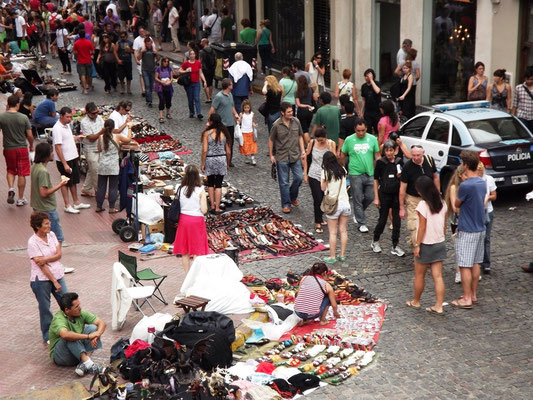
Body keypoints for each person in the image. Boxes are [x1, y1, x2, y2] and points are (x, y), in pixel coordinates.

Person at [405, 175, 447, 315]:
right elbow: (444, 224)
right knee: (438, 276)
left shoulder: (423, 205)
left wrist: (417, 245)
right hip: (439, 242)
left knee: (419, 276)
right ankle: (439, 306)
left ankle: (416, 301)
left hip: (426, 244)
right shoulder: (442, 202)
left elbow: (422, 227)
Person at [451, 151, 487, 309]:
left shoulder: (466, 185)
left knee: (465, 264)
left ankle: (466, 298)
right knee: (476, 263)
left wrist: (453, 195)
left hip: (468, 229)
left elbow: (457, 205)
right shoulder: (481, 182)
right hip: (480, 227)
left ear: (465, 164)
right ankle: (473, 294)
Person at [28, 211, 69, 342]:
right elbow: (41, 265)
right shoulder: (32, 242)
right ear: (38, 226)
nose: (49, 225)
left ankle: (71, 327)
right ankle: (48, 334)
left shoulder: (51, 235)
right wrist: (54, 282)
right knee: (45, 307)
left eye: (49, 222)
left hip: (58, 274)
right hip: (41, 280)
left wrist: (45, 258)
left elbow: (58, 255)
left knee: (67, 301)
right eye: (46, 224)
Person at [49, 292, 106, 376]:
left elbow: (101, 323)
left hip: (76, 352)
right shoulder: (58, 319)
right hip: (61, 356)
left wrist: (97, 334)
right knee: (70, 336)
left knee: (93, 328)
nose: (80, 308)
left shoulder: (80, 313)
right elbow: (65, 335)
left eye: (79, 305)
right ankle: (90, 365)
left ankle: (85, 363)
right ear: (67, 310)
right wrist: (89, 336)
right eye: (76, 307)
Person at [340, 119, 380, 233]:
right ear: (355, 130)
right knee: (357, 199)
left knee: (370, 197)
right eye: (358, 131)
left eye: (363, 130)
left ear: (366, 128)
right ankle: (361, 222)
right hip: (354, 173)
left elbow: (377, 155)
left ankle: (358, 213)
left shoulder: (372, 139)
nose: (361, 133)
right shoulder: (349, 139)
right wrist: (344, 168)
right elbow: (343, 154)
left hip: (370, 173)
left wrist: (380, 168)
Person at [52, 107, 91, 214]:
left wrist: (77, 138)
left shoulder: (67, 125)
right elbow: (58, 147)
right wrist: (64, 163)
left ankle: (76, 202)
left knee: (73, 181)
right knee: (65, 182)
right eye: (67, 117)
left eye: (70, 117)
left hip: (72, 157)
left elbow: (67, 138)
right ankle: (67, 205)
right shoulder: (57, 128)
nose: (69, 119)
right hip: (65, 160)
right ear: (61, 116)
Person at [399, 145, 439, 247]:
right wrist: (401, 208)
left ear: (423, 153)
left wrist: (437, 194)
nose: (416, 158)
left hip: (428, 198)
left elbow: (435, 177)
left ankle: (420, 243)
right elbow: (402, 188)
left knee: (429, 224)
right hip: (413, 199)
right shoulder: (407, 167)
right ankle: (417, 247)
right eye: (413, 155)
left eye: (418, 155)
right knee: (414, 225)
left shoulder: (429, 160)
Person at [269, 102, 305, 214]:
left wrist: (303, 150)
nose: (291, 113)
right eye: (289, 112)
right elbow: (271, 140)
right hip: (282, 156)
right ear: (282, 113)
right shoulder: (276, 125)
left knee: (299, 178)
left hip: (295, 155)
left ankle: (292, 196)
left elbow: (300, 136)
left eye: (292, 111)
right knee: (284, 182)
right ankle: (286, 204)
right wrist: (271, 155)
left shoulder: (296, 121)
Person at [172, 165, 209, 274]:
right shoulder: (201, 190)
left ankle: (188, 276)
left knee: (185, 251)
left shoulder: (179, 188)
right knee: (197, 250)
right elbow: (204, 210)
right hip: (197, 222)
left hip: (183, 221)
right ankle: (195, 275)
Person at [371, 140, 404, 256]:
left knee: (397, 222)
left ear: (395, 150)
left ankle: (395, 245)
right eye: (387, 150)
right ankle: (375, 241)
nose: (389, 153)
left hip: (395, 194)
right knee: (382, 220)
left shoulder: (399, 161)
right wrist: (376, 197)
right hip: (384, 194)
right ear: (384, 151)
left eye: (391, 150)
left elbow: (403, 179)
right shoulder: (380, 163)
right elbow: (375, 180)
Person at [0, 95, 33, 206]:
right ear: (18, 104)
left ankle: (11, 188)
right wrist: (31, 146)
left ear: (7, 105)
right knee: (21, 173)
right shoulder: (23, 117)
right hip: (22, 148)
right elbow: (30, 135)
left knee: (10, 170)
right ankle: (20, 198)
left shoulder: (2, 117)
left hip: (9, 148)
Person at [96, 119, 135, 213]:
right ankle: (111, 207)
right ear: (113, 127)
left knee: (101, 187)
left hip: (102, 164)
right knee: (113, 187)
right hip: (113, 165)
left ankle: (99, 206)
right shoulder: (117, 136)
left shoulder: (100, 137)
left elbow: (99, 149)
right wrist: (129, 128)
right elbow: (128, 140)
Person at [302, 128, 335, 233]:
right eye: (319, 140)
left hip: (326, 175)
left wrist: (330, 148)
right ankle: (317, 222)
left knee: (324, 198)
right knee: (317, 198)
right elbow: (306, 157)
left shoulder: (331, 143)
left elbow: (334, 159)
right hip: (314, 174)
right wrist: (305, 173)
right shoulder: (312, 142)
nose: (320, 142)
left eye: (322, 140)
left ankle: (320, 218)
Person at [200, 113, 230, 214]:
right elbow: (228, 151)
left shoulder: (207, 133)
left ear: (211, 121)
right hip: (222, 159)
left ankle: (212, 206)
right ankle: (217, 207)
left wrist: (202, 163)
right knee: (218, 185)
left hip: (210, 159)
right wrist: (228, 162)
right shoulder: (224, 132)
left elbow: (204, 150)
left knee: (210, 183)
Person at [208, 78, 239, 166]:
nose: (232, 85)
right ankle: (221, 159)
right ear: (228, 86)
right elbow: (212, 109)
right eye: (231, 84)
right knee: (221, 142)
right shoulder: (219, 97)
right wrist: (209, 121)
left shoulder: (230, 95)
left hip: (230, 123)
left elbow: (232, 106)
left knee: (230, 142)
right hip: (222, 124)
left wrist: (236, 114)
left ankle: (229, 160)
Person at [79, 102, 104, 197]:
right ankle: (100, 191)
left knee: (92, 169)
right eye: (93, 113)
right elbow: (91, 138)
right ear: (88, 113)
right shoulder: (84, 122)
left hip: (100, 147)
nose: (96, 114)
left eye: (97, 112)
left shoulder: (99, 118)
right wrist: (101, 132)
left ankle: (86, 189)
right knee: (96, 170)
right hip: (90, 148)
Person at [478, 162, 496, 274]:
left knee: (486, 238)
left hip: (488, 211)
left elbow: (494, 196)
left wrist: (485, 197)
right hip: (477, 212)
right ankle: (477, 262)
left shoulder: (488, 179)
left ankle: (486, 263)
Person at [179, 49, 207, 119]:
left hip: (196, 83)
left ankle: (199, 113)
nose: (192, 55)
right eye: (191, 54)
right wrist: (185, 71)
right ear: (189, 55)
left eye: (193, 54)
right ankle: (191, 112)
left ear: (195, 55)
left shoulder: (198, 63)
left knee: (197, 98)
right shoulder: (186, 63)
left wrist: (204, 81)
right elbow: (180, 70)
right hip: (188, 83)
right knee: (190, 98)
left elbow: (200, 72)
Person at [133, 27, 154, 97]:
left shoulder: (150, 39)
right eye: (140, 31)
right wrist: (136, 60)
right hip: (141, 59)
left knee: (150, 75)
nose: (142, 33)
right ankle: (143, 89)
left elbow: (153, 48)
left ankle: (149, 88)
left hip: (149, 59)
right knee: (141, 74)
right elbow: (135, 51)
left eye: (143, 31)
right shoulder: (136, 40)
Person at [295, 75, 316, 144]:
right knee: (307, 127)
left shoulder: (297, 92)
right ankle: (304, 144)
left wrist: (305, 105)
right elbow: (314, 100)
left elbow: (298, 104)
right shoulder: (311, 89)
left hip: (301, 112)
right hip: (310, 111)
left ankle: (309, 145)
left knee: (304, 130)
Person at [511, 66, 533, 133]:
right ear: (525, 78)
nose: (529, 81)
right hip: (522, 115)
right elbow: (515, 104)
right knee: (523, 133)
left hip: (532, 115)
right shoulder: (519, 88)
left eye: (531, 79)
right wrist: (513, 117)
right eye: (527, 79)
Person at [72, 28, 94, 94]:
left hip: (81, 61)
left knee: (82, 75)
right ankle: (89, 86)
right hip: (88, 60)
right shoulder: (88, 42)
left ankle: (84, 89)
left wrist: (78, 53)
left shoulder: (76, 43)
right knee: (89, 74)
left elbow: (74, 52)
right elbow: (92, 51)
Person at [360, 68, 381, 135]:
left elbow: (377, 91)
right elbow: (363, 99)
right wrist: (362, 111)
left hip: (377, 111)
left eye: (368, 76)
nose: (366, 78)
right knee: (368, 130)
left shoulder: (377, 83)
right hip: (368, 111)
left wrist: (371, 80)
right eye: (365, 76)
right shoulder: (363, 86)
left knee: (377, 129)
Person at [238, 100, 258, 165]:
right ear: (243, 108)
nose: (246, 109)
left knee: (252, 145)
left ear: (250, 108)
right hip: (244, 132)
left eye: (248, 108)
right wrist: (238, 121)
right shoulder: (241, 114)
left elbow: (252, 121)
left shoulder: (252, 114)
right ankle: (246, 157)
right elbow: (239, 121)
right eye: (245, 108)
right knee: (245, 146)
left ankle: (252, 157)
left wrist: (254, 125)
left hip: (250, 132)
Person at [154, 57, 174, 123]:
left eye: (167, 62)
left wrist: (169, 81)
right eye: (165, 61)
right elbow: (156, 78)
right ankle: (161, 116)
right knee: (162, 100)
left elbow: (171, 78)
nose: (166, 63)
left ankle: (168, 113)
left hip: (168, 87)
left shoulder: (169, 69)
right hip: (161, 88)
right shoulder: (158, 69)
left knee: (168, 101)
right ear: (162, 62)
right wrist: (161, 82)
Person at [140, 36, 158, 107]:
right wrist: (141, 52)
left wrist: (156, 53)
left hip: (152, 69)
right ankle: (149, 100)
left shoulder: (153, 49)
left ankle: (149, 98)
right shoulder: (143, 50)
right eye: (147, 44)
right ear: (145, 44)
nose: (149, 45)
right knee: (147, 85)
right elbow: (139, 58)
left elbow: (158, 58)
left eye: (150, 44)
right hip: (145, 69)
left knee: (151, 85)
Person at [199, 38, 215, 103]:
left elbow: (200, 60)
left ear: (204, 42)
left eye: (201, 42)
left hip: (204, 69)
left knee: (205, 83)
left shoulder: (201, 51)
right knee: (210, 83)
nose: (200, 43)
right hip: (211, 68)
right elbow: (215, 59)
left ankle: (208, 97)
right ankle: (210, 96)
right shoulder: (213, 50)